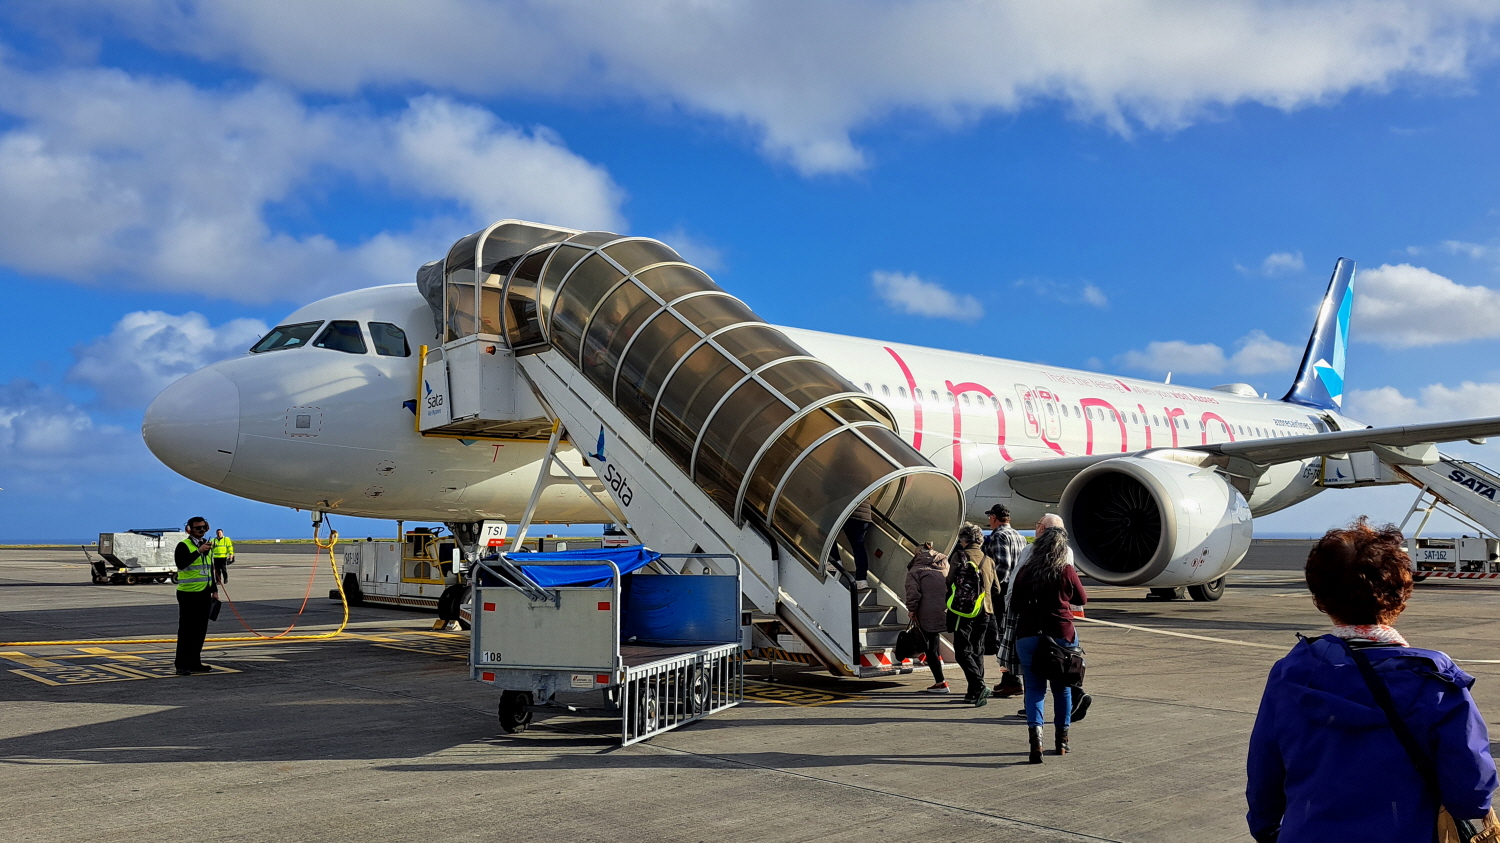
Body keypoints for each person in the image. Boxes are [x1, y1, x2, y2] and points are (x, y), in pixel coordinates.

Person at [1246, 519, 1497, 842]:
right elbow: (1472, 794)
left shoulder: (1290, 674)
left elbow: (1264, 777)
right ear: (1401, 595)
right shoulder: (1433, 680)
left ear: (1321, 598)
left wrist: (1269, 829)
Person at [1010, 523, 1087, 763]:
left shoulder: (1026, 571)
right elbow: (1082, 598)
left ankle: (1036, 742)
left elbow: (1014, 604)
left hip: (1028, 632)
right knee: (1062, 688)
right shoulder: (1065, 569)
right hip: (1061, 633)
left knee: (1034, 689)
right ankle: (1062, 740)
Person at [946, 523, 998, 706]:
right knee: (977, 649)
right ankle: (974, 693)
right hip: (985, 610)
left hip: (964, 609)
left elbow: (949, 581)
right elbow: (997, 589)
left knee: (962, 651)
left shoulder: (959, 556)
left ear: (964, 540)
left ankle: (979, 685)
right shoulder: (988, 560)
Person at [983, 504, 1027, 697]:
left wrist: (993, 588)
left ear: (994, 517)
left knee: (1002, 636)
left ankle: (1012, 680)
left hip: (1003, 592)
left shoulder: (999, 536)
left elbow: (1003, 566)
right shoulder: (1019, 536)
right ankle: (1009, 678)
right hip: (1018, 590)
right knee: (1011, 634)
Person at [904, 540, 950, 693]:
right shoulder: (944, 564)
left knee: (930, 649)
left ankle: (940, 683)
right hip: (946, 610)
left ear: (917, 554)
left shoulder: (916, 570)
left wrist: (911, 609)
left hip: (926, 612)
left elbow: (913, 592)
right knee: (935, 645)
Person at [174, 516, 219, 676]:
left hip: (204, 592)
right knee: (187, 630)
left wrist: (214, 590)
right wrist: (198, 551)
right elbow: (181, 564)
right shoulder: (183, 545)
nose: (201, 530)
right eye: (197, 528)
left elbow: (209, 569)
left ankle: (194, 662)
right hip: (188, 593)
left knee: (200, 630)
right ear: (189, 530)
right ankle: (181, 664)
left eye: (203, 527)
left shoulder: (206, 545)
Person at [843, 496, 875, 588]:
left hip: (851, 513)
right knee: (858, 547)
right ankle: (861, 579)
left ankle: (835, 561)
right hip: (865, 516)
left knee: (824, 530)